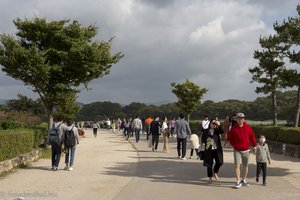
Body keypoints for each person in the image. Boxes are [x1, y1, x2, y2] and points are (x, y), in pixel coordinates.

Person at [228, 113, 257, 188]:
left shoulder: (248, 127)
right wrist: (234, 145)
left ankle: (243, 180)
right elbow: (230, 138)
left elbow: (252, 136)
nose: (240, 119)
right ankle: (238, 181)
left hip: (246, 150)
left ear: (244, 119)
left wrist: (254, 145)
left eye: (242, 118)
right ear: (236, 119)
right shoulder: (233, 129)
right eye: (238, 118)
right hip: (237, 150)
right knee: (237, 166)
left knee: (245, 166)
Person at [201, 119, 224, 183]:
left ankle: (215, 171)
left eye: (215, 123)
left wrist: (219, 125)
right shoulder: (206, 131)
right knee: (209, 164)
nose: (213, 124)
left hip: (217, 149)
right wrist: (207, 140)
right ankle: (210, 177)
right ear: (210, 123)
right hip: (209, 149)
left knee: (220, 162)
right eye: (212, 123)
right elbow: (203, 139)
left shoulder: (217, 130)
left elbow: (222, 131)